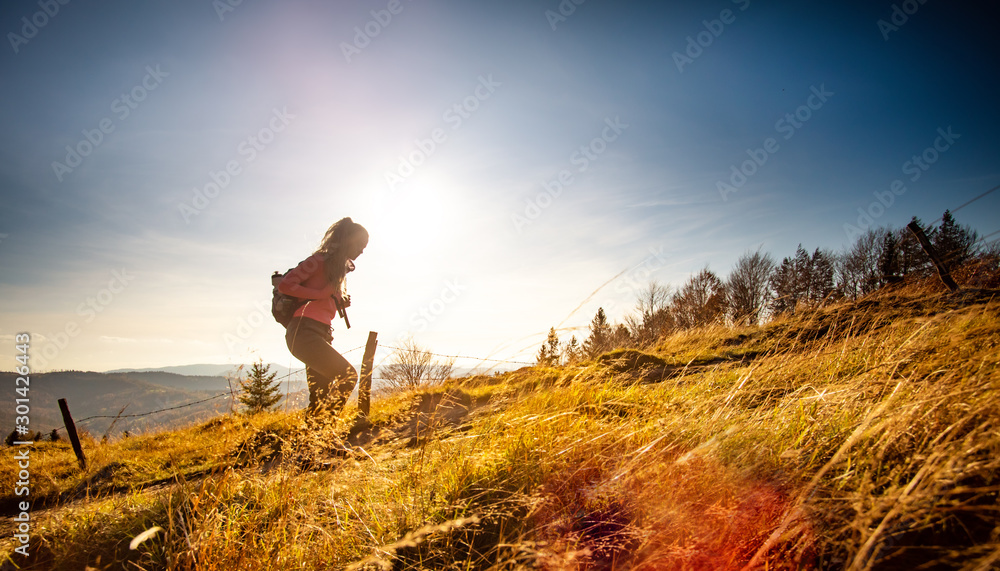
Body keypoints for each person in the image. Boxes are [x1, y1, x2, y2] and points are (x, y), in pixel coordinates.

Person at [278, 217, 369, 417]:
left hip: (321, 333)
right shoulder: (318, 261)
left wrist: (338, 300)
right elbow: (284, 284)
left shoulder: (338, 270)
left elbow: (323, 296)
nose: (362, 251)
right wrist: (322, 295)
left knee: (319, 398)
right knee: (347, 376)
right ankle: (327, 430)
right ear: (349, 240)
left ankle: (315, 441)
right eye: (361, 245)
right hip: (303, 331)